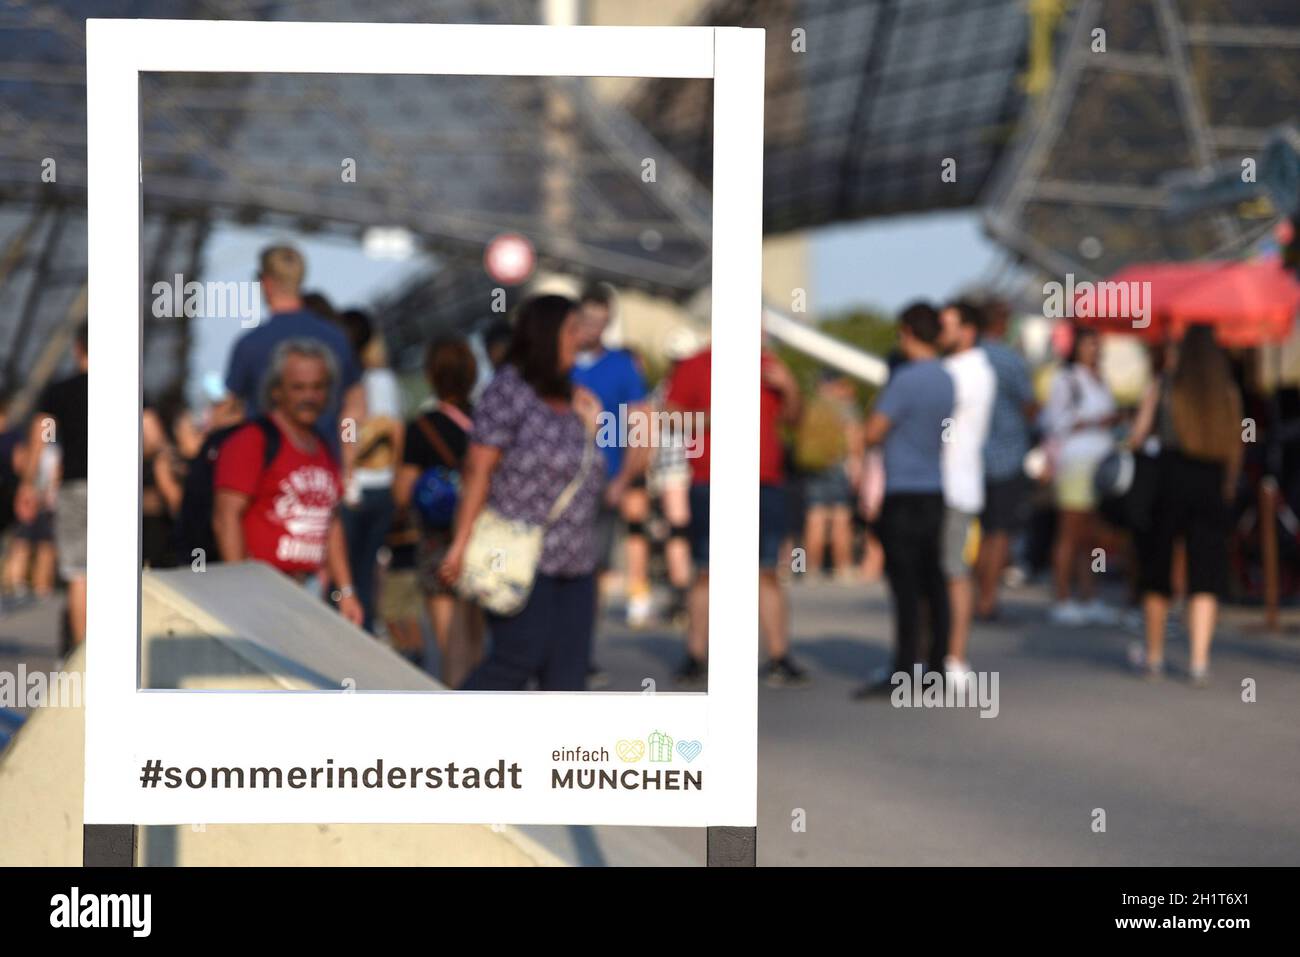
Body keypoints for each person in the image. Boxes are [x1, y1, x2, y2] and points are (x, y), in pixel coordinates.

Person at [438, 295, 606, 692]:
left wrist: (594, 426)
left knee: (567, 677)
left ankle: (552, 754)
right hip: (518, 555)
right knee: (517, 660)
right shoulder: (508, 391)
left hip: (576, 560)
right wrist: (460, 544)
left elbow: (587, 471)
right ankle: (442, 742)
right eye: (571, 329)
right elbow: (478, 470)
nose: (580, 337)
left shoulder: (576, 398)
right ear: (547, 335)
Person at [664, 337, 810, 688]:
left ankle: (778, 656)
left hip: (764, 480)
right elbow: (671, 416)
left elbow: (794, 420)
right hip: (712, 479)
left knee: (767, 569)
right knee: (707, 568)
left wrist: (789, 387)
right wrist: (713, 419)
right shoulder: (697, 362)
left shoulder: (768, 364)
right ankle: (696, 656)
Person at [212, 338, 363, 627]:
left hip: (309, 590)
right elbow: (226, 516)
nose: (309, 396)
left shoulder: (322, 445)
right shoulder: (252, 441)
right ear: (276, 390)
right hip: (264, 590)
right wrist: (243, 589)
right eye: (298, 387)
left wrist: (346, 591)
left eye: (318, 387)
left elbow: (331, 521)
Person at [1127, 325, 1242, 686]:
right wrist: (1226, 485)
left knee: (1158, 567)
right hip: (1210, 480)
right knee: (1206, 570)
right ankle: (1198, 661)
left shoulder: (1165, 386)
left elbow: (1137, 436)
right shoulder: (1226, 391)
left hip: (1168, 480)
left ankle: (1155, 657)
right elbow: (1236, 446)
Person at [853, 303, 954, 698]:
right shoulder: (946, 378)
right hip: (934, 489)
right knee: (935, 583)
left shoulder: (905, 380)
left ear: (908, 331)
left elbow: (873, 431)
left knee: (906, 587)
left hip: (903, 492)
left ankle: (904, 671)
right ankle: (938, 667)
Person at [394, 337, 484, 688]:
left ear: (431, 375)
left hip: (437, 542)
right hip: (479, 537)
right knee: (475, 640)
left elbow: (402, 492)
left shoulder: (421, 427)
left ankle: (456, 700)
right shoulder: (487, 421)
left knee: (450, 645)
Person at [221, 245, 364, 463]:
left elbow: (228, 414)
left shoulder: (249, 344)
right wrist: (347, 453)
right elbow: (352, 411)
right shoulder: (336, 338)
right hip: (324, 470)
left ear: (266, 282)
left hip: (266, 473)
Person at [569, 282, 653, 628]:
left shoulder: (622, 366)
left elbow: (642, 425)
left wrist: (624, 479)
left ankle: (583, 645)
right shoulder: (559, 361)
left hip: (604, 476)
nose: (594, 328)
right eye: (588, 320)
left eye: (602, 321)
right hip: (557, 477)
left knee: (594, 564)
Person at [1039, 326, 1117, 625]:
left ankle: (1088, 594)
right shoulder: (1066, 379)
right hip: (1075, 461)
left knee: (1090, 536)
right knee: (1069, 532)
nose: (1094, 350)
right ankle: (1061, 596)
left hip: (1100, 462)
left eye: (1097, 344)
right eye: (1088, 345)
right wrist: (1092, 421)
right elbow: (1053, 420)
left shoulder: (1100, 379)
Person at [17, 324, 89, 644]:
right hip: (121, 490)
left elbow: (42, 435)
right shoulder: (128, 386)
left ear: (77, 348)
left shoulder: (61, 390)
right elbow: (152, 434)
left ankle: (89, 662)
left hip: (75, 488)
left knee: (80, 574)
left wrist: (29, 484)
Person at [937, 301, 995, 678]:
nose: (940, 332)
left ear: (968, 330)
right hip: (947, 482)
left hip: (954, 484)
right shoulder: (958, 368)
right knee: (941, 573)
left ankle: (955, 658)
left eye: (947, 325)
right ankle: (941, 656)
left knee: (955, 572)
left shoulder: (968, 371)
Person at [337, 309, 402, 633]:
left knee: (343, 575)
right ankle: (363, 638)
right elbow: (393, 429)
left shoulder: (345, 380)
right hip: (382, 484)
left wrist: (347, 462)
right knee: (366, 573)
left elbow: (351, 425)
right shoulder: (384, 380)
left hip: (353, 485)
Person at [974, 299, 1035, 620]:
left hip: (973, 458)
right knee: (999, 532)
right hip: (1007, 456)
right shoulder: (1010, 360)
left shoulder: (969, 357)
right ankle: (987, 597)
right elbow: (1030, 406)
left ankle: (975, 595)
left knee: (982, 531)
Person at [796, 373, 861, 581]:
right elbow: (854, 437)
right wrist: (857, 464)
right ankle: (843, 568)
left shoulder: (811, 406)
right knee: (840, 518)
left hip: (814, 466)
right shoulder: (844, 407)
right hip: (838, 466)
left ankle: (811, 569)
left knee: (815, 517)